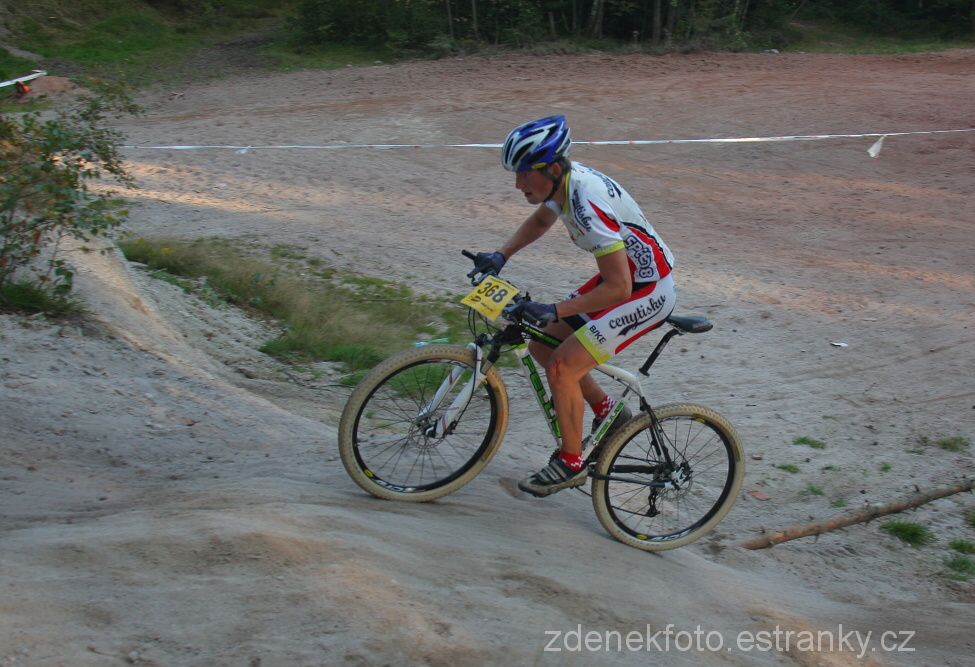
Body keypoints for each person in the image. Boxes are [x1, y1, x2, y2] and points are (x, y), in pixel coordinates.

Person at [471, 114, 677, 497]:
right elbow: (540, 221)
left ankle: (570, 464)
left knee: (563, 366)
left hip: (647, 292)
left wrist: (554, 310)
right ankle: (609, 413)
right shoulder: (563, 184)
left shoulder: (586, 203)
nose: (518, 184)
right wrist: (501, 255)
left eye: (524, 174)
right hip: (629, 280)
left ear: (551, 168)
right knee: (542, 345)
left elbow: (619, 289)